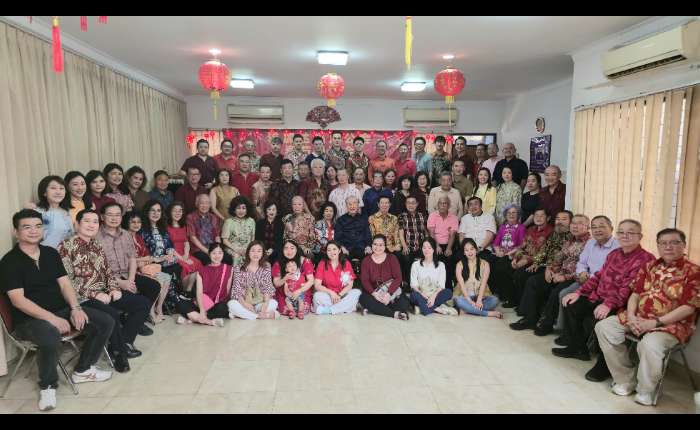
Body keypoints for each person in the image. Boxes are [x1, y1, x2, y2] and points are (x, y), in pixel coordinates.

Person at [1, 209, 114, 411]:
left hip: (60, 309)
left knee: (105, 321)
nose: (34, 231)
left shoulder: (50, 253)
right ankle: (48, 386)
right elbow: (18, 301)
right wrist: (52, 319)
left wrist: (75, 308)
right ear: (16, 232)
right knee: (50, 336)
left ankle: (83, 369)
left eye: (38, 226)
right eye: (27, 227)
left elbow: (65, 284)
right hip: (29, 320)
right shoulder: (9, 262)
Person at [595, 228, 700, 406]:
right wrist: (631, 316)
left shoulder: (694, 271)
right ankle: (625, 379)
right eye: (663, 243)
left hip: (672, 324)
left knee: (650, 344)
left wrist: (655, 323)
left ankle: (646, 390)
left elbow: (688, 308)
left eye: (674, 242)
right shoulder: (650, 266)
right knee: (604, 327)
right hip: (639, 317)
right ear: (658, 246)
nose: (668, 247)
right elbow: (635, 294)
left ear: (684, 245)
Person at [554, 220, 655, 375]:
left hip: (621, 304)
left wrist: (608, 304)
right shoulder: (614, 254)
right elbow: (598, 276)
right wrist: (579, 292)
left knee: (603, 321)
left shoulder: (646, 259)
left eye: (630, 232)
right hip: (599, 297)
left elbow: (629, 288)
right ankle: (578, 348)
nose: (625, 236)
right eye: (621, 232)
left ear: (640, 236)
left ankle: (605, 364)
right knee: (571, 303)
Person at [59, 209, 151, 370]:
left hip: (105, 292)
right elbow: (67, 281)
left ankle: (123, 342)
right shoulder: (66, 246)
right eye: (87, 221)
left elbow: (107, 271)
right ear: (77, 224)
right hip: (82, 297)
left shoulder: (96, 245)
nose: (91, 225)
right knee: (111, 313)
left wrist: (114, 288)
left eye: (95, 222)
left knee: (142, 303)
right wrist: (95, 294)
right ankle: (119, 353)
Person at [541, 215, 619, 339]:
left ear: (611, 228)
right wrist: (582, 272)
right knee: (550, 287)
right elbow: (581, 263)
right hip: (583, 279)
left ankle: (565, 332)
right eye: (594, 227)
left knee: (565, 294)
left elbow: (608, 273)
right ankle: (563, 331)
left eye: (602, 226)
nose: (597, 230)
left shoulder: (617, 247)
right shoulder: (591, 243)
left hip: (601, 285)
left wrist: (584, 277)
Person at [510, 214, 590, 331]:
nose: (575, 226)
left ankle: (546, 324)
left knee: (556, 291)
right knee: (534, 281)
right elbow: (558, 257)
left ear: (587, 226)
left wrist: (564, 277)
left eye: (579, 223)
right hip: (558, 272)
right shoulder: (570, 240)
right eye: (574, 223)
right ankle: (529, 319)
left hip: (573, 278)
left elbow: (585, 268)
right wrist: (550, 268)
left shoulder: (589, 243)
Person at [97, 202, 162, 331]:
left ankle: (136, 319)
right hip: (108, 279)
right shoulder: (95, 236)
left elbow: (132, 258)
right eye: (110, 215)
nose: (114, 218)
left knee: (154, 286)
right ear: (102, 217)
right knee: (134, 298)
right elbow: (97, 269)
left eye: (117, 215)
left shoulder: (126, 234)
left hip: (127, 274)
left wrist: (131, 280)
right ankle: (132, 320)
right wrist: (121, 283)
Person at [507, 210, 572, 309]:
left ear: (570, 222)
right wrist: (536, 262)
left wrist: (548, 267)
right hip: (544, 264)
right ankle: (520, 305)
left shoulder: (570, 236)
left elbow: (559, 256)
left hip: (557, 269)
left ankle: (527, 311)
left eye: (564, 219)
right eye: (558, 219)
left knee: (530, 279)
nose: (559, 222)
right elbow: (545, 250)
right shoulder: (555, 233)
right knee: (516, 271)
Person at [122, 211, 174, 320]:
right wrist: (144, 260)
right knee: (158, 282)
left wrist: (144, 260)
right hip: (130, 270)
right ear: (127, 223)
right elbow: (128, 259)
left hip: (143, 267)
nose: (136, 224)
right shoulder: (124, 237)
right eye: (133, 222)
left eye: (138, 222)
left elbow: (147, 255)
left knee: (167, 278)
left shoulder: (138, 237)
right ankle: (150, 312)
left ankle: (158, 307)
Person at [496, 208, 553, 307]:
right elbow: (523, 245)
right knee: (503, 266)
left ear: (548, 218)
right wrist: (516, 258)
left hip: (538, 262)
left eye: (541, 216)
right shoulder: (530, 229)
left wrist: (527, 260)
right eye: (536, 215)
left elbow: (545, 252)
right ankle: (511, 298)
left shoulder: (551, 231)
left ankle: (521, 303)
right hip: (523, 257)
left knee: (519, 274)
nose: (538, 218)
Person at [174, 243, 230, 327]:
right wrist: (202, 310)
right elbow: (199, 293)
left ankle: (192, 319)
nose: (217, 256)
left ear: (223, 254)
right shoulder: (201, 270)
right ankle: (209, 322)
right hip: (201, 303)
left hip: (216, 305)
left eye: (220, 253)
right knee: (180, 304)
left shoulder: (229, 269)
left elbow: (227, 292)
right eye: (214, 253)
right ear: (209, 254)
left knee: (222, 308)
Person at [139, 200, 189, 290]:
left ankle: (178, 291)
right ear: (147, 212)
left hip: (165, 262)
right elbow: (142, 252)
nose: (156, 213)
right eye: (152, 210)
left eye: (158, 211)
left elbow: (169, 246)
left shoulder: (162, 229)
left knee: (177, 266)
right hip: (151, 263)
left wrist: (169, 253)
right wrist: (160, 258)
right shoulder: (141, 230)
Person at [359, 235, 410, 320]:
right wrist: (374, 294)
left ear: (385, 246)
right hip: (375, 294)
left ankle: (378, 309)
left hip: (391, 293)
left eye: (381, 245)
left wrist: (389, 294)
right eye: (375, 244)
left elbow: (398, 278)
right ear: (371, 245)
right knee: (363, 298)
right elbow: (365, 280)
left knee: (404, 302)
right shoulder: (366, 261)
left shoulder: (392, 258)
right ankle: (394, 314)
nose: (377, 247)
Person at [228, 241, 279, 320]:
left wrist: (265, 305)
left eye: (259, 251)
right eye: (253, 250)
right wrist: (245, 304)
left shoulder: (266, 268)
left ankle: (244, 315)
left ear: (262, 253)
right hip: (244, 302)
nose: (256, 254)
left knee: (273, 303)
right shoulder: (238, 268)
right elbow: (236, 288)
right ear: (248, 252)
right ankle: (260, 316)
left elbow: (267, 288)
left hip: (259, 303)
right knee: (231, 304)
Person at [453, 238, 502, 318]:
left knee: (495, 300)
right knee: (459, 301)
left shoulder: (485, 264)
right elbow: (462, 286)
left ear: (476, 249)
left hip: (481, 296)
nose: (470, 252)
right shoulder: (459, 265)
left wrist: (479, 300)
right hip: (465, 297)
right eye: (466, 250)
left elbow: (483, 284)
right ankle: (488, 313)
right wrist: (470, 301)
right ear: (464, 253)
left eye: (472, 249)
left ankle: (467, 310)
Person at [313, 241, 361, 315]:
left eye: (334, 249)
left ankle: (329, 310)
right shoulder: (322, 263)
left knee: (357, 292)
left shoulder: (346, 263)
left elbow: (350, 285)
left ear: (339, 250)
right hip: (329, 295)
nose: (332, 252)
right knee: (317, 296)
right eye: (329, 250)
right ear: (326, 252)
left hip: (343, 294)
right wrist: (331, 293)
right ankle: (347, 307)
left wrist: (339, 295)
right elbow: (317, 285)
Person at [409, 237, 453, 316]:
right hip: (421, 294)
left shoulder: (441, 265)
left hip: (435, 294)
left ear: (433, 249)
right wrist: (422, 294)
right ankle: (436, 309)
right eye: (424, 248)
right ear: (421, 249)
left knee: (448, 292)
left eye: (429, 248)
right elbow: (414, 285)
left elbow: (441, 285)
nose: (426, 250)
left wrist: (433, 297)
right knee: (413, 295)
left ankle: (422, 308)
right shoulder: (416, 265)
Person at [272, 240, 315, 317]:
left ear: (297, 249)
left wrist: (299, 291)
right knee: (284, 310)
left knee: (304, 309)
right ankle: (292, 311)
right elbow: (276, 283)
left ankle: (300, 310)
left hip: (302, 291)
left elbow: (311, 281)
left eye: (292, 248)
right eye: (286, 248)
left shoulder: (305, 261)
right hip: (285, 293)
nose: (289, 251)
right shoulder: (278, 263)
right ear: (282, 250)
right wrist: (285, 278)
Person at [186, 193, 230, 266]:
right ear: (197, 204)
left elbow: (217, 236)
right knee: (208, 261)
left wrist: (217, 250)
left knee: (227, 258)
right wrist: (207, 251)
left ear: (210, 205)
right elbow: (193, 238)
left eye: (207, 203)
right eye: (202, 203)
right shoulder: (190, 217)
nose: (204, 206)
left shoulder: (214, 217)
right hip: (199, 249)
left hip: (213, 248)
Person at [32, 176, 74, 249]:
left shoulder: (65, 211)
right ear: (44, 192)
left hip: (64, 253)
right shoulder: (37, 212)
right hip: (44, 253)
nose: (58, 192)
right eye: (53, 188)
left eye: (61, 188)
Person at [167, 201, 205, 281]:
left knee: (197, 263)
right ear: (170, 212)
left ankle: (198, 287)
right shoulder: (166, 227)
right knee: (186, 267)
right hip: (174, 255)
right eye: (175, 211)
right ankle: (186, 288)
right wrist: (182, 259)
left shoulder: (183, 226)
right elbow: (169, 247)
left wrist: (186, 254)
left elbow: (186, 242)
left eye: (180, 211)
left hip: (184, 253)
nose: (178, 213)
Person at [427, 196, 459, 290]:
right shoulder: (432, 215)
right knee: (437, 261)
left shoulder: (454, 218)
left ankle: (448, 287)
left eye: (445, 203)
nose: (442, 205)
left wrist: (449, 248)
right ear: (437, 205)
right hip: (435, 244)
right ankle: (436, 287)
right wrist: (437, 246)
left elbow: (452, 235)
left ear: (449, 206)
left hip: (448, 244)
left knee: (449, 260)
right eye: (440, 203)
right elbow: (432, 233)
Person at [398, 196, 427, 287]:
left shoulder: (422, 215)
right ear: (405, 204)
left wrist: (426, 246)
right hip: (408, 246)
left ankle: (421, 283)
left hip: (421, 246)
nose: (411, 205)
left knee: (424, 261)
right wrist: (404, 246)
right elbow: (401, 233)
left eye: (413, 203)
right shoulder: (402, 216)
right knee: (406, 259)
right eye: (408, 203)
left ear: (417, 204)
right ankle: (407, 283)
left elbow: (426, 232)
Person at [222, 196, 256, 266]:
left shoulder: (251, 221)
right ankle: (236, 273)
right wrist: (236, 249)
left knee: (252, 256)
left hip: (247, 247)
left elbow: (252, 238)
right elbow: (225, 240)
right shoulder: (228, 222)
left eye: (243, 208)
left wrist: (248, 249)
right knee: (236, 256)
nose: (241, 211)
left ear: (247, 209)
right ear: (234, 210)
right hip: (232, 248)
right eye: (238, 208)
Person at [334, 196, 372, 261]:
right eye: (350, 204)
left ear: (358, 205)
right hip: (347, 249)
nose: (352, 206)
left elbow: (367, 234)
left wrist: (368, 246)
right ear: (346, 206)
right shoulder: (340, 220)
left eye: (355, 203)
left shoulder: (364, 219)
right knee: (342, 259)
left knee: (369, 258)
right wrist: (342, 247)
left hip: (362, 249)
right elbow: (337, 237)